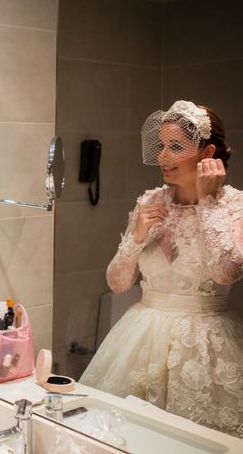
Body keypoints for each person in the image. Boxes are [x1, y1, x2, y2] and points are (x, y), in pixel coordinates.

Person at [80, 100, 243, 437]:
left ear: (207, 152)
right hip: (139, 337)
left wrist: (208, 203)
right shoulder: (149, 203)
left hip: (205, 348)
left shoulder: (234, 207)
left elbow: (226, 273)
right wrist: (137, 236)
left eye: (176, 147)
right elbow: (118, 283)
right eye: (161, 146)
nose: (162, 157)